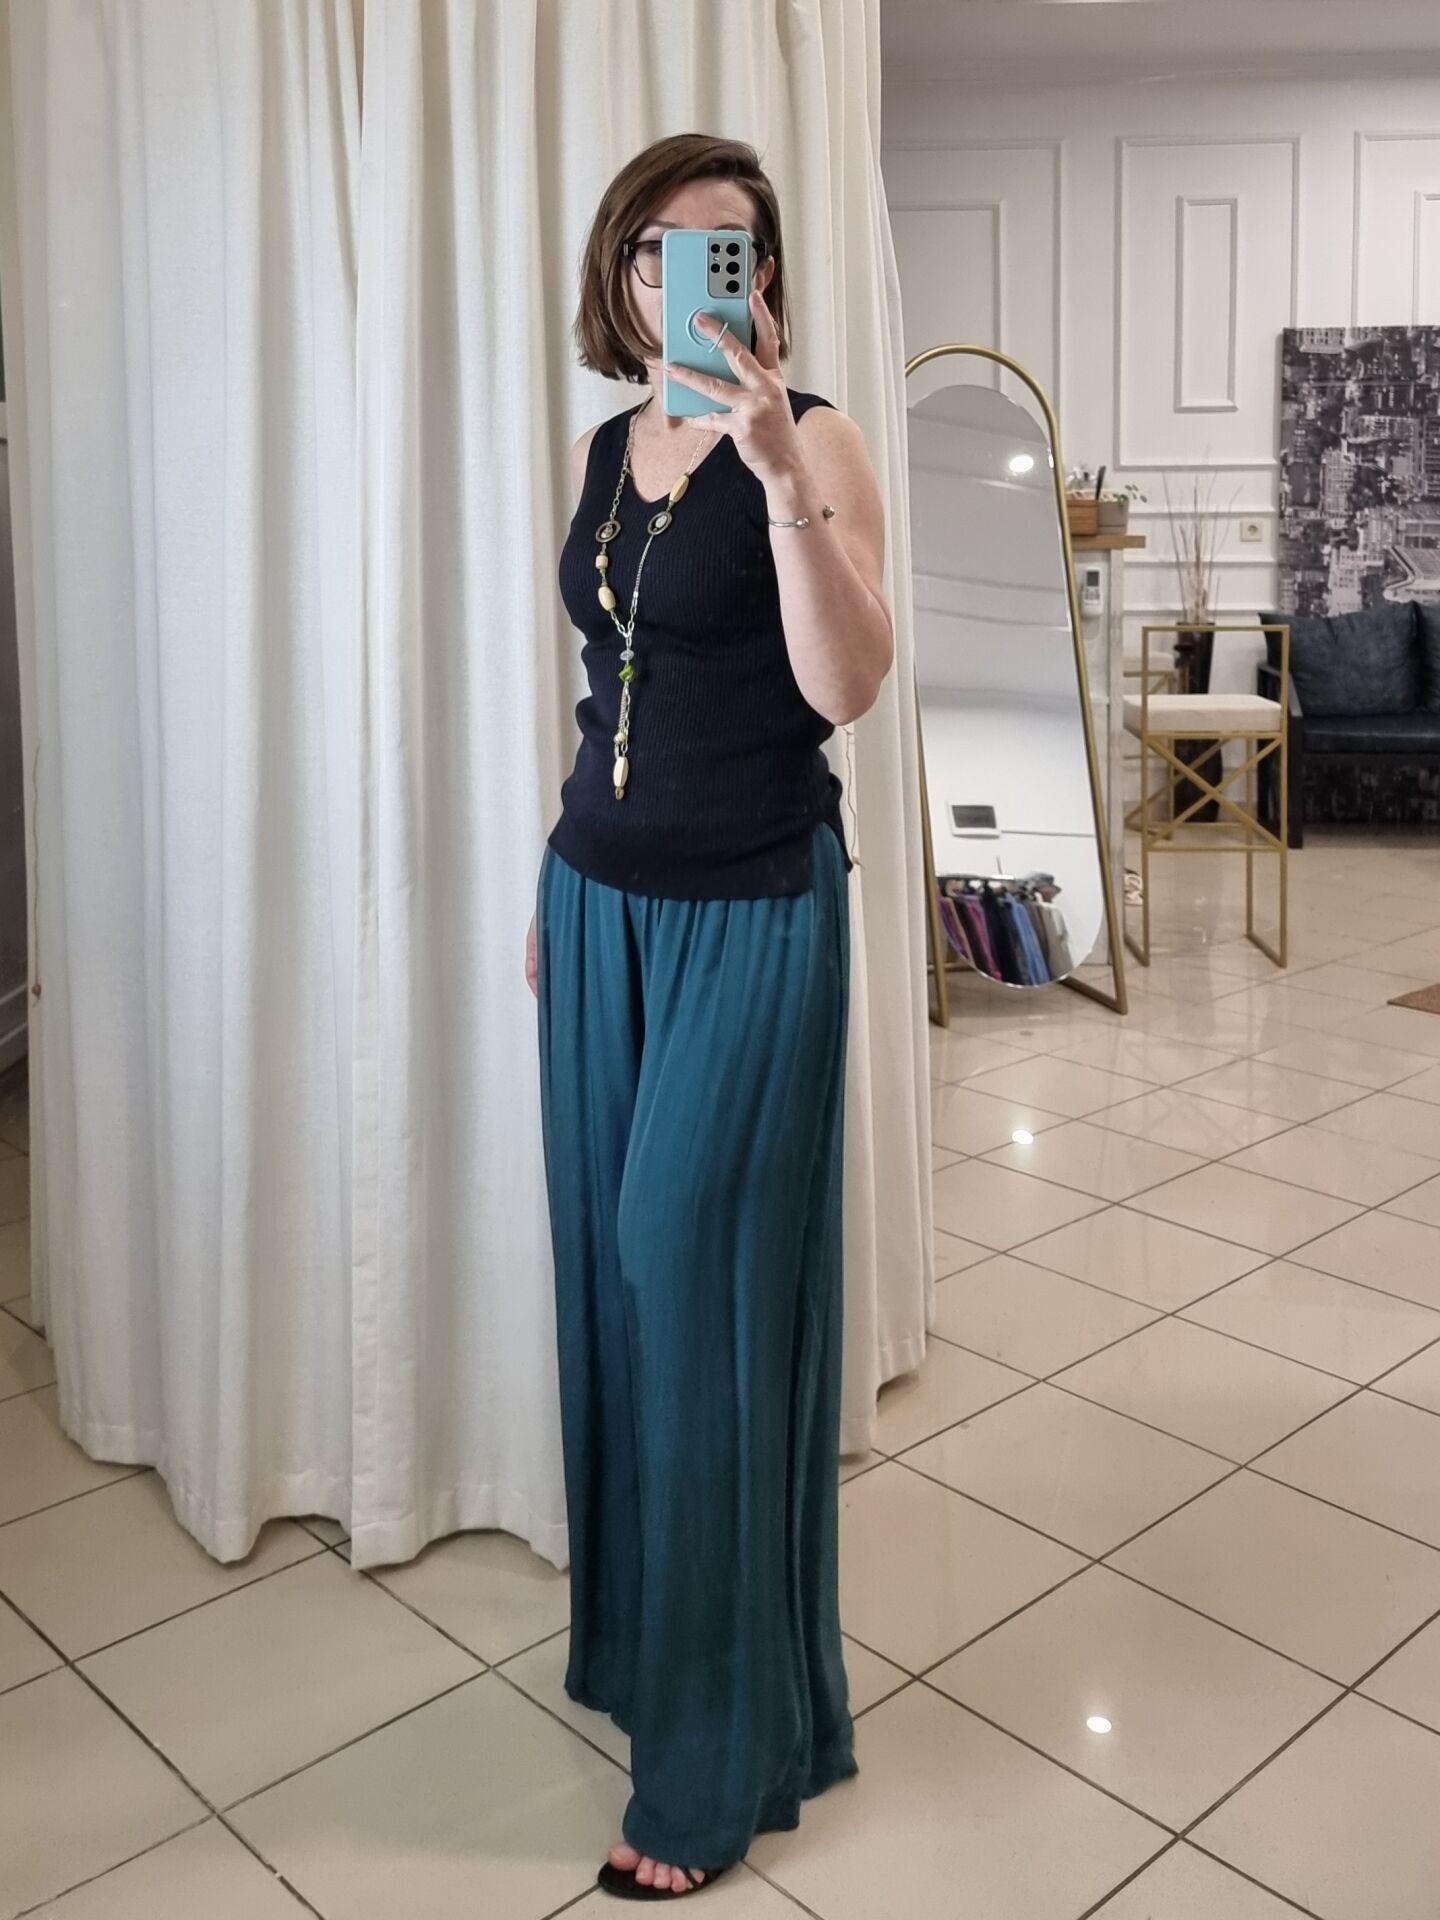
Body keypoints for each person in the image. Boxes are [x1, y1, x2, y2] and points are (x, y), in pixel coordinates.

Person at [527, 132, 893, 1901]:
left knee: (703, 1294)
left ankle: (720, 1754)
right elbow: (610, 684)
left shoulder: (812, 438)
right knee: (619, 1293)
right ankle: (650, 1664)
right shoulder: (602, 450)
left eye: (724, 251)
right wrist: (549, 876)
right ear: (622, 271)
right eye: (662, 249)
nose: (690, 277)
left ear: (763, 280)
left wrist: (777, 475)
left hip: (753, 906)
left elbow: (848, 687)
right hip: (595, 904)